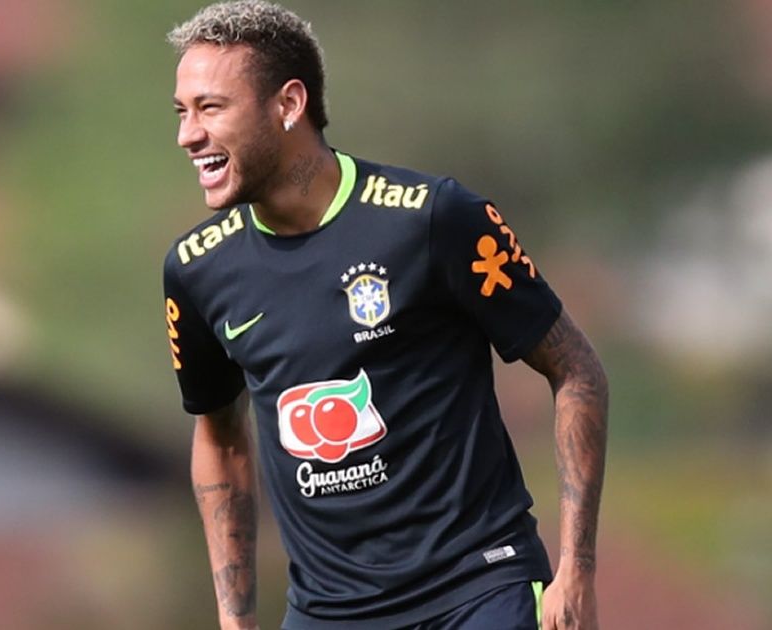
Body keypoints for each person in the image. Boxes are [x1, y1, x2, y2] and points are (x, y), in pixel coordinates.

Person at [161, 2, 609, 629]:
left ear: (288, 104)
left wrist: (576, 569)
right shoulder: (197, 269)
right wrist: (235, 622)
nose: (188, 135)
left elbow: (576, 370)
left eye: (210, 108)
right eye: (182, 113)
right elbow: (219, 435)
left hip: (477, 591)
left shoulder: (432, 218)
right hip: (328, 614)